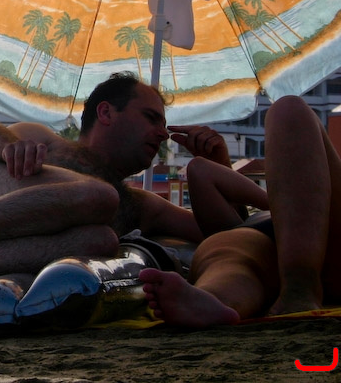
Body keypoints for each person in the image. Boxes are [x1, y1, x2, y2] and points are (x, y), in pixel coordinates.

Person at [0, 72, 232, 288]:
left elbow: (226, 231)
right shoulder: (49, 141)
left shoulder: (141, 204)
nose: (162, 133)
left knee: (102, 240)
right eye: (151, 118)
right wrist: (10, 148)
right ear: (106, 112)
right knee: (102, 197)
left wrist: (220, 165)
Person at [140, 94, 341, 326]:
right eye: (150, 118)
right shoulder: (135, 201)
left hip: (298, 233)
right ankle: (215, 299)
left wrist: (219, 160)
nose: (162, 133)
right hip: (256, 241)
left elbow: (203, 172)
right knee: (226, 256)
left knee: (288, 109)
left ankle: (298, 285)